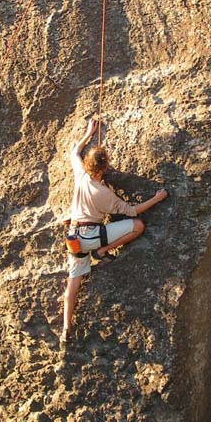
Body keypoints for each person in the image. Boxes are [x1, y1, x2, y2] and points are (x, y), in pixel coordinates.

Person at [61, 117, 168, 343]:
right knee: (137, 226)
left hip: (75, 238)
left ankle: (66, 326)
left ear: (88, 165)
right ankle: (103, 251)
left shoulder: (80, 175)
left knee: (73, 283)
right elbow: (132, 211)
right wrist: (156, 199)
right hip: (95, 237)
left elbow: (74, 152)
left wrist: (88, 133)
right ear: (105, 168)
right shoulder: (105, 194)